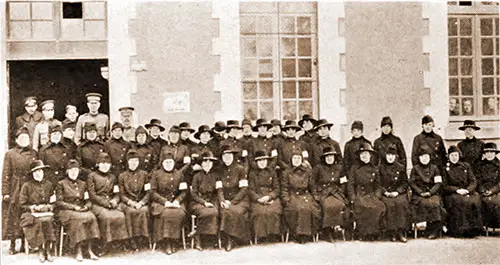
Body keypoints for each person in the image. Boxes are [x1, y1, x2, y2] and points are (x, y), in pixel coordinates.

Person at [2, 127, 38, 255]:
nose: (24, 140)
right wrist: (5, 192)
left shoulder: (34, 153)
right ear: (17, 140)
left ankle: (25, 243)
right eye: (21, 138)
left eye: (27, 138)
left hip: (29, 186)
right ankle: (12, 244)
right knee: (14, 216)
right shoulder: (10, 154)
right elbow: (6, 173)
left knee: (27, 214)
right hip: (15, 187)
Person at [56, 159, 99, 261]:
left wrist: (87, 207)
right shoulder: (61, 184)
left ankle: (89, 250)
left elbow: (88, 200)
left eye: (76, 170)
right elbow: (59, 202)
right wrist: (73, 207)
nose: (74, 173)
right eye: (71, 170)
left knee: (92, 217)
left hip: (81, 209)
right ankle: (78, 250)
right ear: (67, 172)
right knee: (78, 220)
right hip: (66, 211)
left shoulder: (83, 183)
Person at [86, 153, 128, 255]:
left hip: (111, 203)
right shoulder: (92, 176)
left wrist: (115, 201)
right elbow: (92, 195)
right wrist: (106, 203)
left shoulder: (113, 177)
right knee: (106, 217)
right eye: (103, 163)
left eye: (107, 164)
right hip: (97, 204)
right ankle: (104, 245)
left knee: (120, 216)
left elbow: (117, 193)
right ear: (98, 164)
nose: (105, 166)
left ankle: (117, 243)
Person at [150, 151, 189, 255]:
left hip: (176, 202)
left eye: (170, 162)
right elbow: (152, 192)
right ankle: (166, 242)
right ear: (162, 163)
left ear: (174, 163)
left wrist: (177, 201)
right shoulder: (156, 174)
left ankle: (174, 241)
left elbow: (184, 191)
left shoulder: (179, 174)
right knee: (166, 214)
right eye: (166, 162)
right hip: (160, 203)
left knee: (179, 213)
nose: (168, 164)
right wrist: (164, 202)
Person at [19, 160, 56, 263]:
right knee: (37, 222)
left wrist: (49, 206)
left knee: (49, 221)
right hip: (31, 213)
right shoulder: (27, 186)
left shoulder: (49, 184)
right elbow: (22, 204)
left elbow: (54, 201)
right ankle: (41, 249)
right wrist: (33, 207)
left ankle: (48, 250)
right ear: (32, 174)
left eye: (40, 171)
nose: (38, 174)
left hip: (46, 212)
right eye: (35, 172)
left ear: (43, 172)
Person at [347, 143, 386, 241]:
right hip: (360, 193)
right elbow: (350, 184)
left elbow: (378, 185)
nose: (364, 156)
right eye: (362, 154)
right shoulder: (354, 168)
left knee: (379, 207)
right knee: (363, 207)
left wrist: (377, 196)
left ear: (370, 155)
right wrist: (353, 197)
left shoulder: (374, 168)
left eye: (366, 154)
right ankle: (363, 233)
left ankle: (373, 233)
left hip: (372, 193)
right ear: (359, 156)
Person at [442, 146, 482, 237]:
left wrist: (468, 190)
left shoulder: (466, 166)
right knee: (460, 201)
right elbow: (444, 186)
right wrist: (457, 190)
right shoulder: (445, 168)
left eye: (456, 155)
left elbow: (473, 181)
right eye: (452, 155)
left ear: (459, 155)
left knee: (475, 199)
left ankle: (473, 229)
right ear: (448, 156)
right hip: (452, 193)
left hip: (467, 191)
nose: (454, 157)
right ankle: (459, 231)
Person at [282, 151, 320, 243]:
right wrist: (286, 199)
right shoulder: (286, 172)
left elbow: (312, 186)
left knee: (310, 208)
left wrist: (315, 196)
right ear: (291, 160)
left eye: (298, 158)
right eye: (294, 158)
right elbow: (284, 188)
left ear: (302, 160)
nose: (296, 160)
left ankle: (308, 234)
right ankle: (297, 234)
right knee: (297, 208)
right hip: (293, 195)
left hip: (306, 194)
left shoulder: (307, 171)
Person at [217, 145, 251, 251]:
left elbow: (244, 189)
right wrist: (222, 200)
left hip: (240, 199)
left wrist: (232, 202)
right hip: (224, 199)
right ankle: (228, 239)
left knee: (233, 211)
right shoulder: (219, 170)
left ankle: (233, 238)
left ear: (233, 156)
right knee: (225, 211)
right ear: (222, 157)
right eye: (224, 155)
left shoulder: (240, 169)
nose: (227, 157)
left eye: (229, 155)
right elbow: (219, 188)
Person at [313, 147, 349, 242]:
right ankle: (327, 231)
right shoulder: (318, 168)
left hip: (336, 192)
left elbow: (344, 182)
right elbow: (312, 182)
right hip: (324, 193)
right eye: (327, 157)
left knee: (341, 205)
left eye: (331, 156)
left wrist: (341, 191)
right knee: (327, 206)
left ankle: (336, 228)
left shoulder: (340, 168)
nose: (329, 159)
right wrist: (316, 194)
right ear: (324, 158)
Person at [409, 145, 446, 239]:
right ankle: (426, 229)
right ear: (419, 158)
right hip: (419, 195)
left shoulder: (435, 168)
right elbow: (412, 183)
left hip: (432, 193)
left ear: (429, 157)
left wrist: (431, 192)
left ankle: (434, 229)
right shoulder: (415, 169)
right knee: (423, 203)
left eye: (426, 156)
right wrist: (420, 192)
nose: (424, 159)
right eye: (422, 157)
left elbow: (438, 183)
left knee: (436, 203)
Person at [118, 150, 150, 251]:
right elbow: (121, 194)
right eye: (131, 161)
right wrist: (130, 202)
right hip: (127, 203)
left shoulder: (145, 174)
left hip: (141, 202)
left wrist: (141, 202)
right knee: (131, 211)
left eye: (136, 161)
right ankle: (131, 239)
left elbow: (149, 192)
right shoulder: (122, 176)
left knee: (144, 211)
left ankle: (143, 237)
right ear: (127, 162)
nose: (133, 163)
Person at [248, 150, 282, 243]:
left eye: (264, 160)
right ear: (256, 162)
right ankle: (260, 236)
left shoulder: (272, 172)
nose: (262, 162)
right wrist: (258, 198)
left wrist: (269, 196)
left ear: (267, 161)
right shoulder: (252, 174)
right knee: (259, 212)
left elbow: (277, 188)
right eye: (260, 161)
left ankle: (273, 235)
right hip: (258, 197)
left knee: (274, 211)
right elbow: (250, 189)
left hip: (270, 197)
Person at [189, 151, 220, 250]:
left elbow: (218, 191)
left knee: (215, 212)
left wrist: (214, 202)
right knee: (205, 212)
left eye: (209, 162)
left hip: (212, 201)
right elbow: (193, 194)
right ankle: (198, 238)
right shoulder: (196, 176)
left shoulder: (216, 175)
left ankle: (210, 239)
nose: (207, 164)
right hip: (198, 201)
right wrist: (204, 202)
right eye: (205, 162)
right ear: (201, 164)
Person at [379, 146, 409, 243]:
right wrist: (385, 192)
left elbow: (405, 183)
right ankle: (392, 232)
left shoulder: (400, 167)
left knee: (401, 203)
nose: (390, 157)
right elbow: (378, 183)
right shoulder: (380, 167)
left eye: (392, 155)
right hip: (386, 193)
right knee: (389, 204)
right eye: (388, 155)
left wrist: (398, 192)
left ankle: (401, 231)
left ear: (396, 156)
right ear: (385, 156)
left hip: (398, 193)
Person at [477, 142, 500, 229]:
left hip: (496, 190)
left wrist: (492, 191)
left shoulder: (499, 165)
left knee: (496, 202)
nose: (489, 154)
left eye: (491, 152)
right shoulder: (479, 165)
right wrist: (482, 190)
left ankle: (497, 226)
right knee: (477, 201)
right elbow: (477, 180)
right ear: (484, 154)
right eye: (487, 152)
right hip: (483, 190)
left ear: (495, 153)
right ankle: (483, 226)